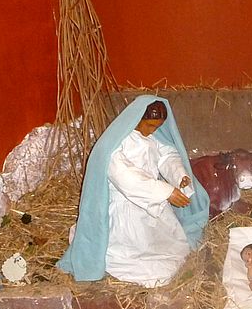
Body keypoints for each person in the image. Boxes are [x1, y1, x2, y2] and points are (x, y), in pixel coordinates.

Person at [57, 95, 209, 287]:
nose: (152, 131)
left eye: (157, 127)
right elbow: (126, 177)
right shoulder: (116, 145)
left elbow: (168, 156)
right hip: (126, 206)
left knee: (171, 246)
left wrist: (179, 175)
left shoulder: (153, 139)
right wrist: (165, 192)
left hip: (152, 202)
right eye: (149, 125)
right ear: (137, 118)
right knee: (133, 251)